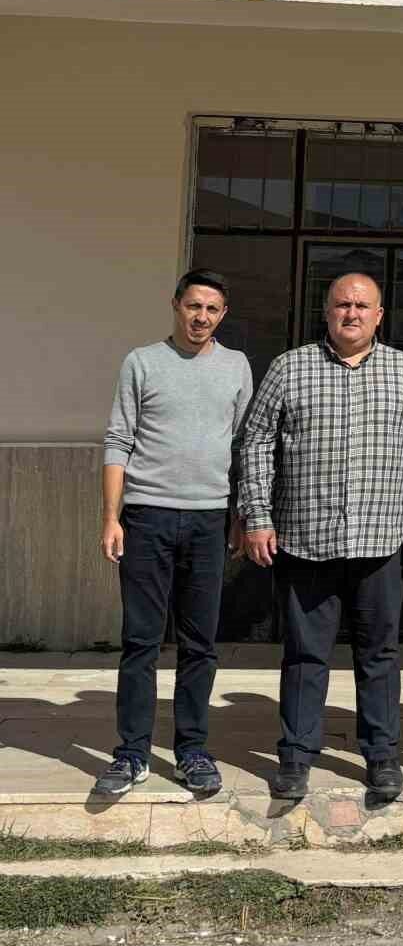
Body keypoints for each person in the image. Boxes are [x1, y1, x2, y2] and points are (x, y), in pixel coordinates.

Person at [236, 272, 403, 803]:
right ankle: (296, 757)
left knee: (379, 655)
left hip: (379, 541)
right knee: (305, 655)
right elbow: (256, 444)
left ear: (379, 315)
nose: (352, 313)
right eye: (342, 305)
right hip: (306, 539)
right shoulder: (289, 368)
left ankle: (382, 757)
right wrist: (257, 516)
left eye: (362, 306)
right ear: (326, 312)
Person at [94, 270, 253, 799]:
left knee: (200, 644)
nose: (201, 317)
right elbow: (118, 439)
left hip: (209, 520)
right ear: (176, 305)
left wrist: (240, 514)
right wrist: (111, 516)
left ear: (223, 314)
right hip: (147, 517)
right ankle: (132, 754)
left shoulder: (236, 366)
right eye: (193, 306)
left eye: (211, 309)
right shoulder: (142, 362)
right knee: (140, 641)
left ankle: (192, 751)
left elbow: (241, 445)